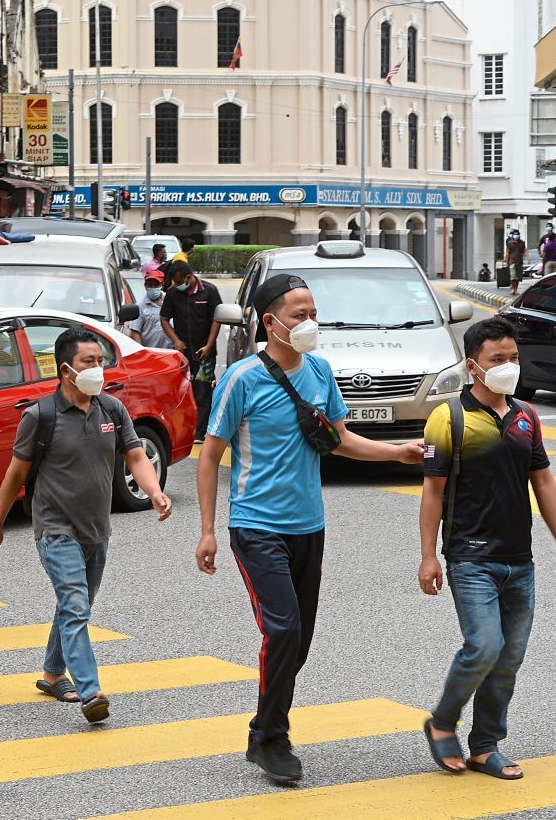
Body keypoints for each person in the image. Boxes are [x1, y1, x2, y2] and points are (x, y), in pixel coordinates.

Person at [194, 275, 424, 783]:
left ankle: (265, 728)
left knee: (299, 642)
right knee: (283, 629)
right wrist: (208, 530)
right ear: (270, 322)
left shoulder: (319, 370)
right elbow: (209, 457)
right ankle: (271, 738)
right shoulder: (241, 378)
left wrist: (397, 453)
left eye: (313, 313)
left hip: (309, 525)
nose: (310, 323)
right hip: (256, 525)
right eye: (299, 315)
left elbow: (340, 439)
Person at [419, 317, 556, 779]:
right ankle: (442, 722)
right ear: (473, 366)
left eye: (513, 357)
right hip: (470, 557)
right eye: (498, 359)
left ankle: (485, 746)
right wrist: (428, 555)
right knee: (484, 646)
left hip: (518, 560)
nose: (509, 365)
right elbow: (432, 491)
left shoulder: (526, 416)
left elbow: (543, 481)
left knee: (509, 658)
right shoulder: (449, 418)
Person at [0, 327, 172, 724]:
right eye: (89, 361)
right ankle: (90, 690)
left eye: (100, 361)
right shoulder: (40, 416)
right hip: (55, 528)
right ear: (65, 369)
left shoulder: (111, 409)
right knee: (75, 604)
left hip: (97, 529)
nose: (98, 368)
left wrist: (154, 491)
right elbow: (15, 474)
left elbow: (136, 456)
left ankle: (53, 674)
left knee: (76, 606)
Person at [160, 263, 222, 441]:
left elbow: (217, 320)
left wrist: (209, 345)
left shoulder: (209, 291)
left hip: (204, 354)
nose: (177, 285)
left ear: (189, 277)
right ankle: (185, 428)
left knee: (203, 391)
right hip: (183, 353)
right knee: (183, 391)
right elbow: (164, 318)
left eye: (179, 282)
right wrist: (176, 340)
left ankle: (200, 431)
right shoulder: (173, 293)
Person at [127, 268, 169, 349]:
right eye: (150, 285)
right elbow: (135, 331)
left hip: (170, 351)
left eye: (156, 285)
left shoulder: (169, 300)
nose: (153, 288)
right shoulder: (140, 306)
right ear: (145, 286)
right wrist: (142, 351)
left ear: (162, 285)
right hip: (151, 351)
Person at [503, 229, 526, 295]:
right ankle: (513, 288)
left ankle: (515, 289)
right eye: (515, 234)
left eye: (517, 234)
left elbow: (524, 251)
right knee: (513, 276)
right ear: (513, 235)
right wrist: (506, 261)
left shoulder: (522, 243)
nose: (516, 236)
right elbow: (507, 252)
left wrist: (526, 257)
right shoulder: (510, 243)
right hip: (512, 261)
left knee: (518, 277)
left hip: (519, 262)